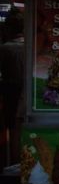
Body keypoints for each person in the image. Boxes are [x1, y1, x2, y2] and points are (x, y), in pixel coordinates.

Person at [0, 9, 25, 165]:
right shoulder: (28, 47)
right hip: (25, 91)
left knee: (13, 127)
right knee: (19, 125)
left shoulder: (5, 49)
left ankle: (15, 162)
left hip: (11, 91)